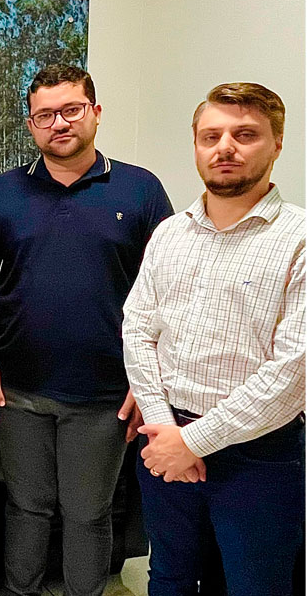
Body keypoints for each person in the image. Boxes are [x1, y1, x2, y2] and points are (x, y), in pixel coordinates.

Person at [0, 64, 172, 596]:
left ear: (95, 113)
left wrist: (147, 381)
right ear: (31, 125)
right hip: (17, 388)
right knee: (27, 507)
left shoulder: (141, 189)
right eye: (44, 115)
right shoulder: (5, 192)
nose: (58, 123)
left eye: (71, 110)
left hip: (105, 393)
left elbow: (166, 297)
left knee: (88, 513)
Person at [122, 82, 304, 596]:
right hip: (165, 435)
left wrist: (192, 443)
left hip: (260, 455)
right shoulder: (170, 234)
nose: (224, 147)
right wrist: (162, 427)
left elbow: (293, 371)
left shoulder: (299, 239)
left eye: (244, 134)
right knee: (172, 577)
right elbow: (137, 329)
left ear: (277, 143)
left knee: (256, 584)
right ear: (197, 146)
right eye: (211, 136)